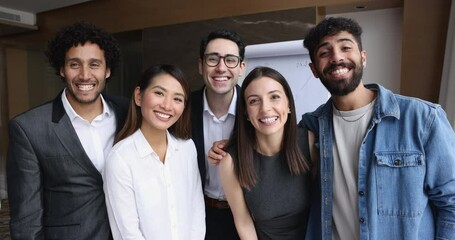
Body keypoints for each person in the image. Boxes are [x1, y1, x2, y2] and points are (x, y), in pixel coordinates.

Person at [299, 17, 455, 239]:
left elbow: (451, 202)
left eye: (345, 47)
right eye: (325, 53)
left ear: (363, 58)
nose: (336, 57)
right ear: (315, 69)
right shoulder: (310, 126)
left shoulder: (422, 118)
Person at [6, 22, 129, 239]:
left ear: (107, 70)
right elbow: (26, 219)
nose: (84, 75)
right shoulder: (29, 128)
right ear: (61, 69)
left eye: (94, 64)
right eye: (74, 64)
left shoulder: (129, 113)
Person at [103, 64, 205, 240]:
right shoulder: (120, 158)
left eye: (177, 99)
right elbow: (128, 232)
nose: (167, 105)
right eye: (159, 93)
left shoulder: (187, 148)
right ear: (138, 96)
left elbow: (196, 212)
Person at [219, 66, 312, 239]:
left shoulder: (311, 142)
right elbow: (244, 223)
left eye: (274, 97)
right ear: (246, 113)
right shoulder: (231, 162)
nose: (265, 108)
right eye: (254, 101)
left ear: (289, 104)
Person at [191, 29, 246, 239]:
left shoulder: (255, 109)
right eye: (213, 59)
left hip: (247, 216)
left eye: (230, 60)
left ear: (241, 67)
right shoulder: (181, 109)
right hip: (197, 215)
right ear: (200, 65)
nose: (221, 68)